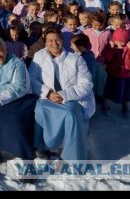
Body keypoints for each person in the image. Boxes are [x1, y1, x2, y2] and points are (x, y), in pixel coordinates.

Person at [29, 28, 95, 161]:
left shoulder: (76, 59)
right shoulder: (39, 56)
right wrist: (48, 93)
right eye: (50, 40)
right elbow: (32, 79)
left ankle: (71, 154)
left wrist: (64, 95)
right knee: (40, 110)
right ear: (45, 42)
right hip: (46, 97)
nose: (54, 43)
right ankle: (42, 146)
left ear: (62, 40)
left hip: (72, 98)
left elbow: (86, 84)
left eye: (57, 40)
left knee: (70, 114)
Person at [0, 37, 37, 166]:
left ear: (5, 49)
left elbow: (19, 87)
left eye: (0, 51)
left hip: (18, 98)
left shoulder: (17, 63)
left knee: (14, 119)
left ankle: (26, 157)